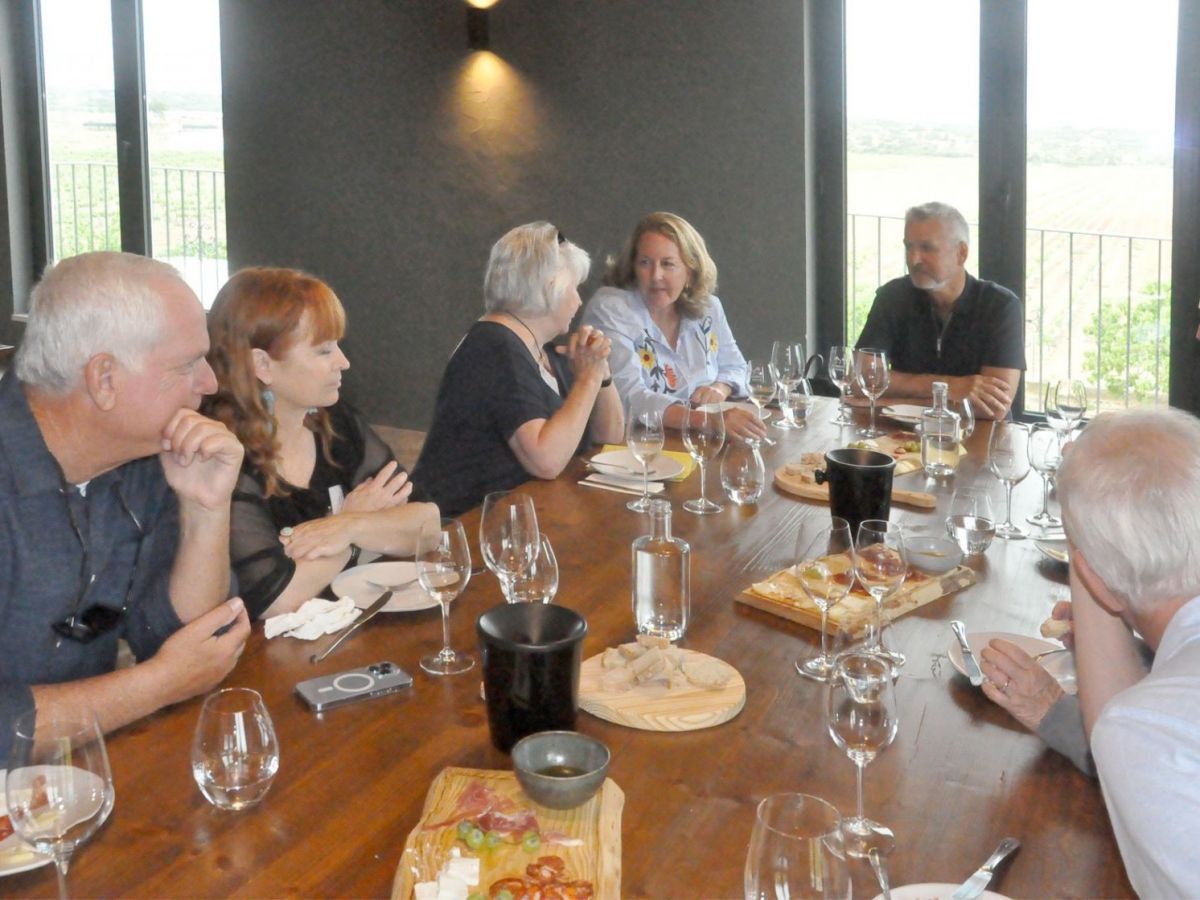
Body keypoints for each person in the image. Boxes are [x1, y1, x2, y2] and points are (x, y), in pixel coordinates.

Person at [0, 251, 250, 759]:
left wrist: (205, 509)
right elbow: (175, 671)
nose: (210, 383)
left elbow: (191, 643)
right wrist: (156, 684)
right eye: (187, 364)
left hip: (78, 771)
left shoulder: (140, 460)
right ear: (105, 379)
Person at [989, 408, 1200, 896]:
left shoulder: (1148, 730)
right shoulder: (1143, 720)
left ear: (1095, 578)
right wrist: (1083, 542)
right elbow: (1118, 723)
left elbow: (1129, 729)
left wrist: (1085, 543)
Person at [205, 268, 439, 619]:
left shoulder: (335, 423)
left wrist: (349, 526)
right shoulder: (225, 457)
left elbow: (428, 524)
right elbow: (275, 599)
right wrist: (352, 529)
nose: (343, 362)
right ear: (263, 365)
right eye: (324, 350)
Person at [413, 222, 625, 517]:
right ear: (550, 287)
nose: (579, 300)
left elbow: (610, 437)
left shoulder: (544, 352)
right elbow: (546, 460)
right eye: (574, 288)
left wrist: (600, 372)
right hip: (466, 527)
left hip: (526, 517)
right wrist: (587, 379)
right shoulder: (494, 348)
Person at [581, 211, 767, 441]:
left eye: (667, 264)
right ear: (633, 267)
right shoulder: (612, 308)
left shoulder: (708, 308)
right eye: (645, 263)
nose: (655, 275)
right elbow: (628, 397)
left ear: (691, 271)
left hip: (699, 441)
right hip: (636, 445)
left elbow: (736, 367)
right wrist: (708, 421)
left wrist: (720, 388)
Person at [854, 202, 1025, 419]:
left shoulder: (1000, 306)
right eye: (909, 247)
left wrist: (888, 401)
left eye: (927, 248)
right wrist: (949, 386)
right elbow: (861, 381)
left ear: (961, 253)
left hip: (977, 436)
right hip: (898, 434)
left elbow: (993, 408)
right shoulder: (893, 296)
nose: (913, 259)